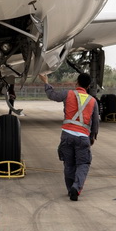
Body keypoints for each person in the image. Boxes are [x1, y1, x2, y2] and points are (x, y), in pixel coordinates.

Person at [40, 72, 99, 201]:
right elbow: (95, 122)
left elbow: (52, 95)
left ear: (76, 83)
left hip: (67, 135)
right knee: (83, 163)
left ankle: (70, 188)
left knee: (69, 164)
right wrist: (92, 137)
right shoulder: (93, 101)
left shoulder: (68, 94)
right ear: (88, 86)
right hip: (83, 136)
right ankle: (76, 188)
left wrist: (46, 82)